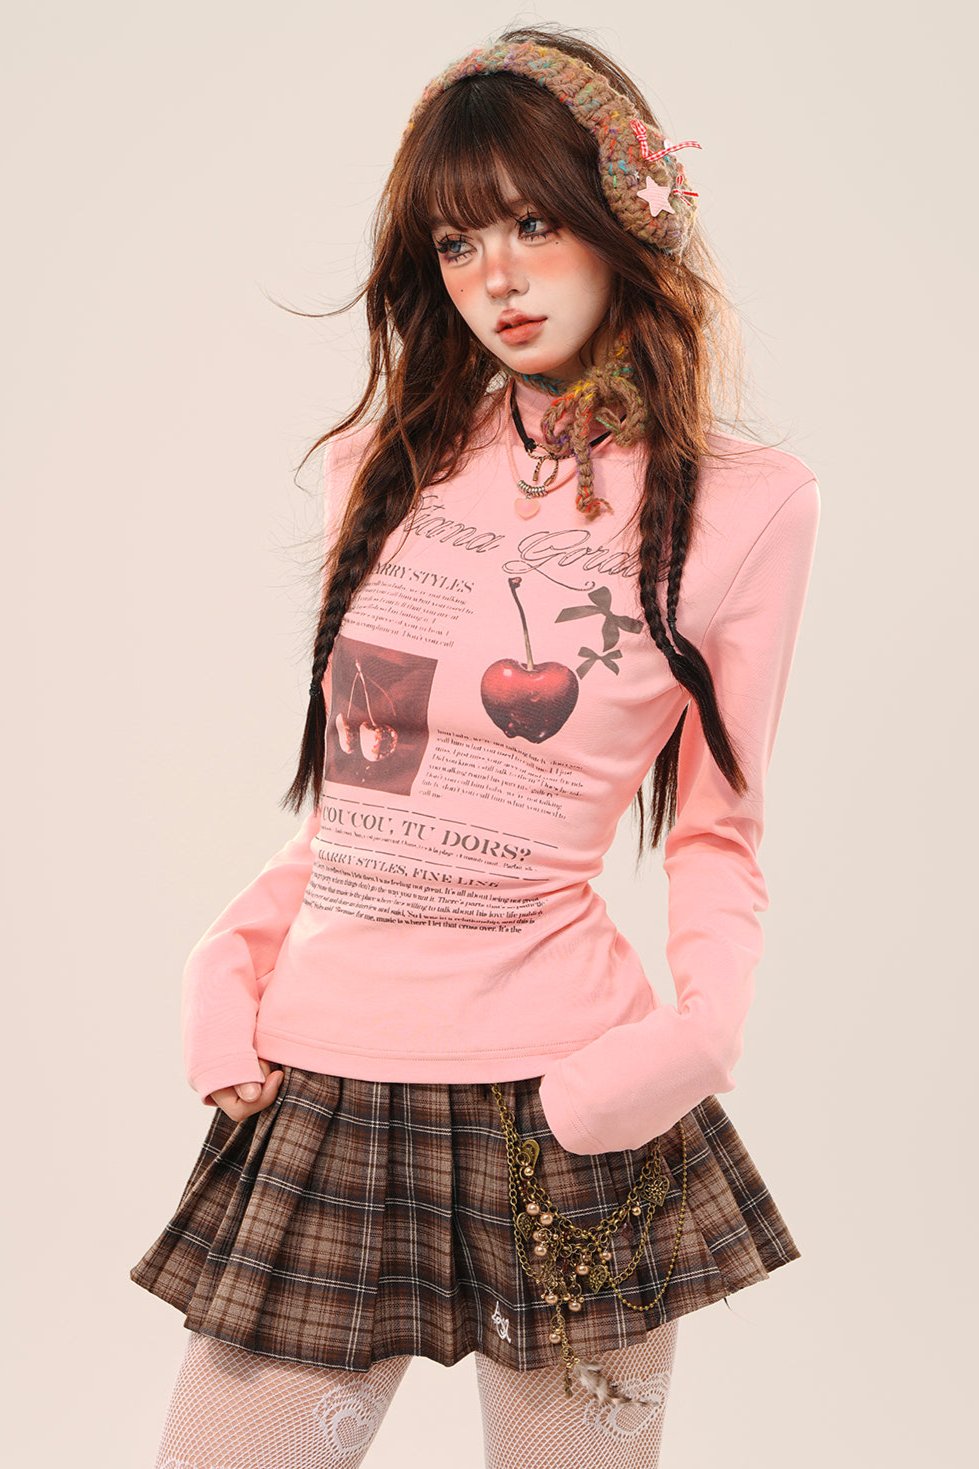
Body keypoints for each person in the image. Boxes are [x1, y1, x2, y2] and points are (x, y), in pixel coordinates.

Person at [130, 23, 820, 1468]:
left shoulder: (746, 508)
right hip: (324, 1086)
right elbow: (369, 788)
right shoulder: (386, 467)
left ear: (624, 222)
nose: (496, 276)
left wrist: (700, 1036)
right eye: (456, 242)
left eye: (531, 223)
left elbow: (718, 829)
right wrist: (231, 951)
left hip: (573, 1109)